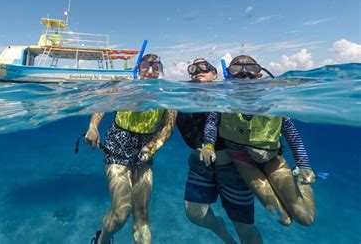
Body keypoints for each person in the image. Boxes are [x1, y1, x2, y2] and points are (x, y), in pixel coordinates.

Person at [202, 55, 316, 227]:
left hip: (272, 158)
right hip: (242, 159)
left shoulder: (273, 103)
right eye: (236, 71)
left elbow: (293, 136)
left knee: (305, 219)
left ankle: (299, 181)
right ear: (230, 76)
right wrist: (208, 145)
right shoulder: (223, 103)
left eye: (251, 69)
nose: (244, 75)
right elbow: (211, 123)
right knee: (283, 218)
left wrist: (304, 165)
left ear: (259, 75)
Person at [85, 54, 177, 244]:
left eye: (156, 67)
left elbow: (168, 127)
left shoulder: (167, 93)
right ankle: (103, 239)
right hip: (118, 144)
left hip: (145, 148)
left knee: (142, 213)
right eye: (145, 66)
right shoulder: (124, 87)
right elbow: (102, 105)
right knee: (121, 212)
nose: (150, 71)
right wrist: (93, 127)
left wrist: (151, 148)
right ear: (138, 68)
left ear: (161, 70)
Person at [177, 58, 262, 244]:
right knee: (194, 214)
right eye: (193, 68)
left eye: (204, 67)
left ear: (215, 74)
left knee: (242, 225)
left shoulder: (228, 96)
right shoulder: (181, 96)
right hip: (199, 166)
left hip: (233, 168)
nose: (198, 70)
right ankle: (222, 232)